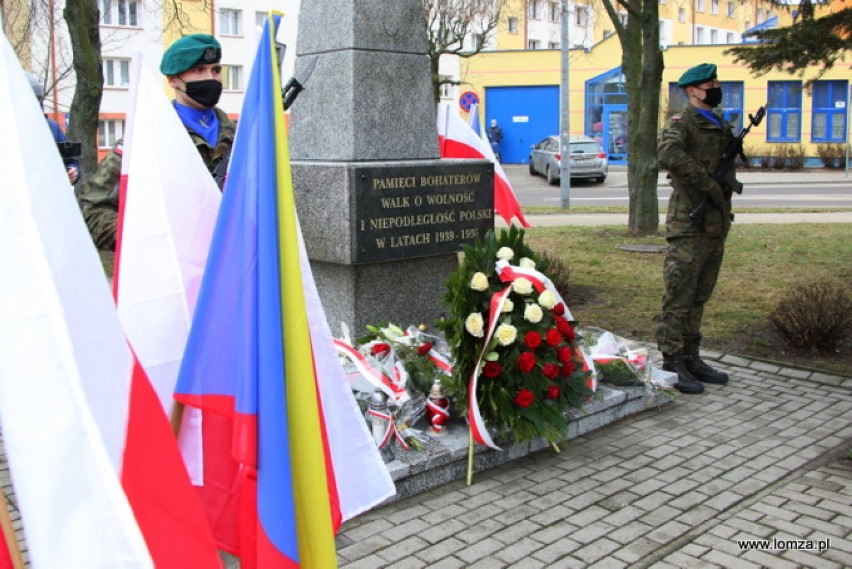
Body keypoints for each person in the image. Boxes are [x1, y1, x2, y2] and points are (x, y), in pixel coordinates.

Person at [78, 34, 235, 251]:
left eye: (215, 70)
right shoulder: (147, 138)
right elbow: (93, 211)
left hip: (231, 266)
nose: (210, 78)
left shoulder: (239, 137)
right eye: (199, 70)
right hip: (174, 272)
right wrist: (153, 241)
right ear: (173, 80)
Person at [655, 62, 733, 394]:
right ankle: (672, 361)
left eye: (716, 82)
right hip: (688, 221)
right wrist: (707, 183)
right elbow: (667, 152)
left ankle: (691, 356)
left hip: (715, 222)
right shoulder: (682, 121)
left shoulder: (721, 124)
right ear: (692, 90)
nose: (715, 88)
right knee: (679, 293)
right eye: (709, 84)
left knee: (700, 294)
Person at [27, 72, 80, 185]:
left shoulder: (52, 128)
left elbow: (71, 160)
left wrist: (73, 172)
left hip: (48, 193)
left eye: (38, 98)